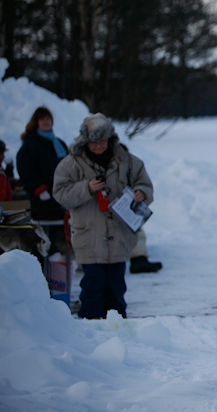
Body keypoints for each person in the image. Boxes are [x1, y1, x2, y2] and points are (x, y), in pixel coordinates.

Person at [53, 114, 154, 319]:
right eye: (94, 142)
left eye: (102, 141)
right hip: (90, 237)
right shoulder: (71, 163)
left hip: (119, 237)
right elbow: (60, 193)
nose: (99, 146)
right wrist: (86, 188)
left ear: (110, 139)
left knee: (116, 291)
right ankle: (92, 330)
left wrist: (142, 193)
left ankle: (118, 330)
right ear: (85, 141)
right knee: (92, 290)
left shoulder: (127, 160)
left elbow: (144, 182)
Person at [16, 107, 69, 253]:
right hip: (40, 201)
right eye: (42, 119)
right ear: (36, 122)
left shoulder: (59, 144)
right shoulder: (30, 144)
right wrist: (39, 189)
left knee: (56, 239)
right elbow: (26, 170)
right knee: (40, 240)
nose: (46, 121)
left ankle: (53, 264)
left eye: (48, 118)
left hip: (59, 199)